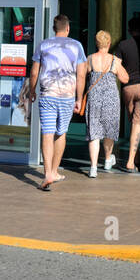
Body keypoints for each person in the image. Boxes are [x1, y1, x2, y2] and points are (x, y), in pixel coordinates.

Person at [28, 14, 87, 190]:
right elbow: (82, 74)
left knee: (47, 132)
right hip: (67, 96)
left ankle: (48, 174)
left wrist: (32, 90)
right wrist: (79, 98)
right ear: (67, 28)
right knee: (61, 133)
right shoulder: (77, 46)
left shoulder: (43, 45)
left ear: (54, 29)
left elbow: (34, 72)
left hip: (48, 94)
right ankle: (54, 171)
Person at [84, 30, 129, 177]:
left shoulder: (90, 59)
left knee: (94, 133)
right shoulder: (114, 60)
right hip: (110, 99)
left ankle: (93, 168)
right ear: (109, 44)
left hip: (94, 98)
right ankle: (108, 160)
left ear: (97, 43)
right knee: (109, 130)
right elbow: (125, 79)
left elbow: (81, 75)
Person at [116, 16, 140, 173]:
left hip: (128, 88)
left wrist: (125, 77)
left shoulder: (123, 45)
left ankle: (136, 157)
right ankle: (130, 162)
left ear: (129, 30)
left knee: (133, 124)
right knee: (137, 124)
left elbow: (115, 65)